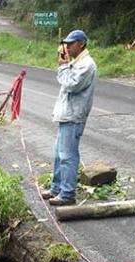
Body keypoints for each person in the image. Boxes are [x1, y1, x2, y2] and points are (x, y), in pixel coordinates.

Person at [41, 30, 97, 206]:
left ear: (81, 44)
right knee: (59, 155)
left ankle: (67, 194)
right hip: (67, 115)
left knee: (68, 156)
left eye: (70, 44)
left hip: (74, 117)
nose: (67, 47)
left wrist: (63, 66)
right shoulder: (77, 62)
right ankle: (56, 188)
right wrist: (65, 63)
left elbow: (72, 85)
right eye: (66, 44)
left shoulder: (86, 65)